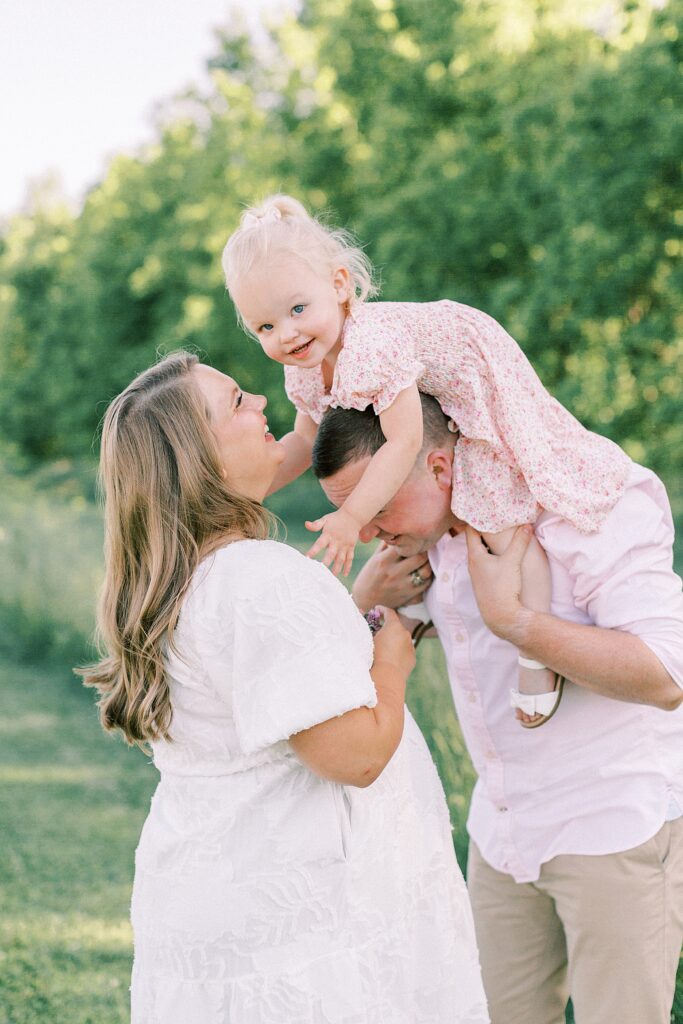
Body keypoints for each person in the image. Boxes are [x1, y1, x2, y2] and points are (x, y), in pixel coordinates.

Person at [79, 351, 490, 1024]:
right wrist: (390, 656)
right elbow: (352, 754)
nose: (263, 406)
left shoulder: (188, 584)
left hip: (219, 913)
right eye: (236, 402)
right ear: (198, 459)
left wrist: (352, 612)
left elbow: (273, 690)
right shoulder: (262, 579)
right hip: (308, 934)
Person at [311, 395, 683, 1024]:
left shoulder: (585, 505)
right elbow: (367, 655)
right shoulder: (423, 540)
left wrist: (514, 622)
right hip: (502, 834)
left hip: (614, 825)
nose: (368, 529)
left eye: (375, 504)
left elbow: (666, 673)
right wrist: (362, 600)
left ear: (435, 466)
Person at [221, 194, 631, 726]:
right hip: (430, 395)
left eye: (298, 310)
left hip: (474, 372)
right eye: (265, 328)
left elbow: (403, 443)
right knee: (443, 508)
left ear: (341, 287)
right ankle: (428, 605)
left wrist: (350, 518)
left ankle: (536, 649)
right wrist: (238, 492)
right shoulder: (305, 362)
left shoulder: (370, 345)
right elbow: (302, 440)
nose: (288, 334)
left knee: (496, 512)